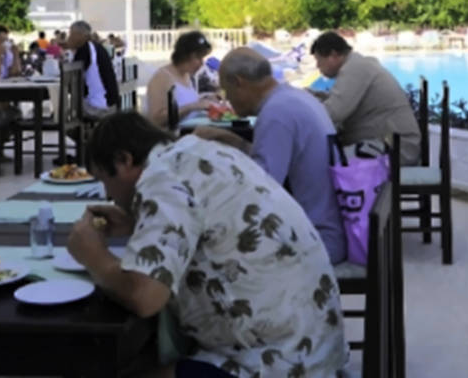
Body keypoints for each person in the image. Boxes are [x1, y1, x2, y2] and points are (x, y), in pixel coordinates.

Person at [69, 112, 349, 377]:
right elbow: (209, 225)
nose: (108, 193)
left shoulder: (162, 178)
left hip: (272, 363)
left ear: (124, 160)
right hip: (314, 347)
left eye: (105, 180)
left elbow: (145, 297)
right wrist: (137, 224)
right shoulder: (199, 153)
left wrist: (94, 257)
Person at [195, 48, 347, 263]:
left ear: (239, 82)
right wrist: (233, 141)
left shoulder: (276, 113)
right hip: (328, 230)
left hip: (314, 241)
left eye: (227, 92)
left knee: (203, 258)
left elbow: (259, 192)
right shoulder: (294, 98)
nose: (228, 101)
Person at [310, 31, 421, 163]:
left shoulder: (355, 68)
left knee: (321, 161)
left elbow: (333, 113)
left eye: (319, 60)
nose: (317, 66)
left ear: (333, 55)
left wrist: (303, 112)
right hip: (391, 143)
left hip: (397, 149)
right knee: (326, 156)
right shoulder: (358, 64)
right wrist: (311, 96)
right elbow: (340, 99)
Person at [144, 31, 216, 129]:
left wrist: (206, 100)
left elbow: (185, 103)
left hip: (191, 131)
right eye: (198, 58)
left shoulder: (186, 75)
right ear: (185, 56)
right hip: (173, 135)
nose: (201, 63)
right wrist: (194, 106)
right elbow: (156, 119)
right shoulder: (161, 78)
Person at [64, 21, 119, 118]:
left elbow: (72, 81)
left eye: (71, 34)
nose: (69, 38)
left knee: (63, 112)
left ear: (81, 36)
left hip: (98, 107)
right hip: (110, 103)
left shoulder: (85, 50)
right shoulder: (96, 47)